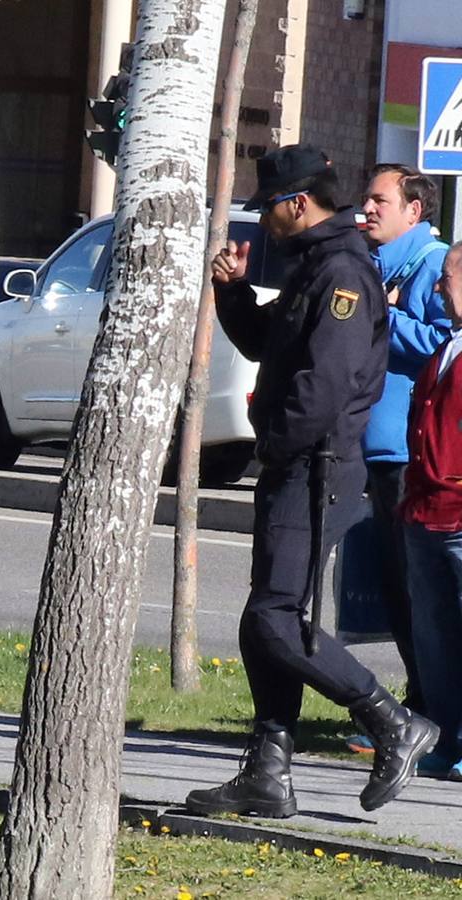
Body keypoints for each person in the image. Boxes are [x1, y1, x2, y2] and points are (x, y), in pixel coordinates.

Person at [186, 144, 438, 818]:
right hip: (296, 465)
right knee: (262, 620)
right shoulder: (317, 264)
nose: (263, 220)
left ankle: (392, 722)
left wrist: (274, 438)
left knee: (274, 618)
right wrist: (232, 293)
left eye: (269, 207)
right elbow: (271, 344)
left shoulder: (344, 272)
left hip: (317, 467)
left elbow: (324, 387)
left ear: (299, 202)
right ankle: (268, 773)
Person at [352, 164, 450, 739]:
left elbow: (447, 343)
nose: (368, 208)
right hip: (379, 451)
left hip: (411, 456)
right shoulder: (376, 265)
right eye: (366, 198)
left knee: (419, 591)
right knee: (395, 586)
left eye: (379, 199)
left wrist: (382, 314)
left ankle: (427, 710)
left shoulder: (435, 266)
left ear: (414, 210)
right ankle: (418, 702)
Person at [398, 241, 462, 781]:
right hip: (424, 513)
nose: (439, 287)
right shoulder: (445, 348)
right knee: (435, 639)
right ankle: (443, 739)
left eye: (448, 276)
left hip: (459, 514)